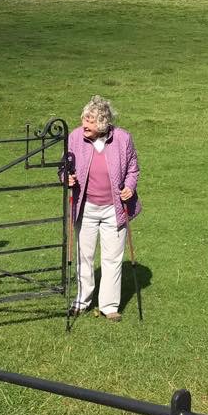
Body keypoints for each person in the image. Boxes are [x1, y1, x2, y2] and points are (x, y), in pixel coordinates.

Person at [66, 95, 141, 321]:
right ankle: (82, 300)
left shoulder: (122, 139)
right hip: (85, 207)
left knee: (112, 258)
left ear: (102, 124)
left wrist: (129, 187)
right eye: (83, 120)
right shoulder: (75, 138)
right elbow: (64, 166)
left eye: (89, 122)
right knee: (84, 256)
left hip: (114, 209)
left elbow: (133, 169)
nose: (84, 125)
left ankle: (109, 306)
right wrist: (66, 178)